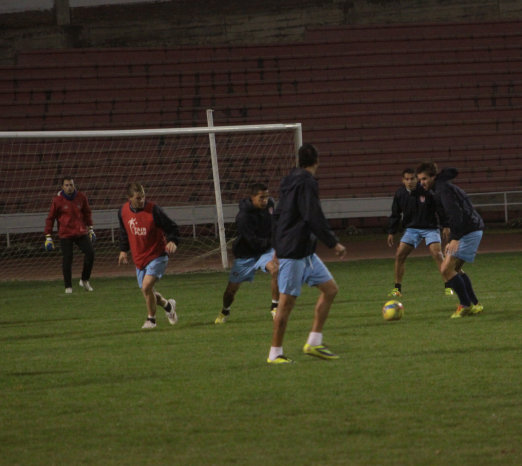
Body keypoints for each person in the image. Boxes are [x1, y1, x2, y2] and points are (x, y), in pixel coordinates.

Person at [267, 143, 347, 364]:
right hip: (293, 252)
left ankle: (313, 342)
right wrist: (333, 243)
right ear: (317, 162)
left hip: (303, 250)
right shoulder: (307, 182)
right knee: (286, 304)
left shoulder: (288, 180)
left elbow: (279, 215)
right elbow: (313, 215)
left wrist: (276, 245)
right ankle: (275, 353)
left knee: (330, 289)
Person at [416, 163, 484, 319]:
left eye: (424, 179)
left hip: (469, 231)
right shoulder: (440, 186)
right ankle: (474, 304)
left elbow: (455, 213)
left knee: (446, 269)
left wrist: (455, 238)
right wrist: (447, 227)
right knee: (455, 269)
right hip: (471, 228)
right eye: (420, 180)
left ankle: (466, 305)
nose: (422, 183)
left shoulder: (443, 189)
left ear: (433, 177)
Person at [215, 183, 279, 324]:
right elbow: (252, 241)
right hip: (246, 255)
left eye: (266, 197)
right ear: (252, 198)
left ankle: (275, 307)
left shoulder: (270, 205)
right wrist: (273, 241)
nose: (265, 200)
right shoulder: (243, 217)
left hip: (264, 252)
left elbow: (276, 221)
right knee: (230, 292)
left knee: (276, 269)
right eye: (261, 198)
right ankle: (225, 310)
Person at [118, 182, 179, 329]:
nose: (142, 200)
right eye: (138, 198)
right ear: (129, 198)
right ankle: (168, 306)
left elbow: (172, 227)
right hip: (139, 258)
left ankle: (151, 320)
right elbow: (124, 232)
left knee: (146, 287)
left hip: (157, 255)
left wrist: (173, 241)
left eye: (143, 197)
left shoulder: (154, 210)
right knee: (149, 292)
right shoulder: (123, 211)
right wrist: (123, 250)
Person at [387, 168, 452, 298]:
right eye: (407, 179)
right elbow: (395, 214)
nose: (410, 181)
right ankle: (397, 289)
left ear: (417, 179)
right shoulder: (400, 193)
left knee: (437, 254)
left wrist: (446, 225)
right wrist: (391, 232)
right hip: (412, 229)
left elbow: (439, 207)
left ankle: (449, 286)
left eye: (412, 178)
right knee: (399, 255)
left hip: (430, 228)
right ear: (403, 180)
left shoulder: (427, 192)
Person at [44, 176, 95, 294]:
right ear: (62, 187)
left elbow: (87, 213)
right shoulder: (57, 200)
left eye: (71, 185)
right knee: (67, 259)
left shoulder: (81, 197)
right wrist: (48, 236)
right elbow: (50, 218)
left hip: (80, 231)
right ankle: (68, 287)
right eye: (66, 185)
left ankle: (84, 279)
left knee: (90, 253)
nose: (69, 187)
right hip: (65, 233)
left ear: (74, 185)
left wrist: (91, 229)